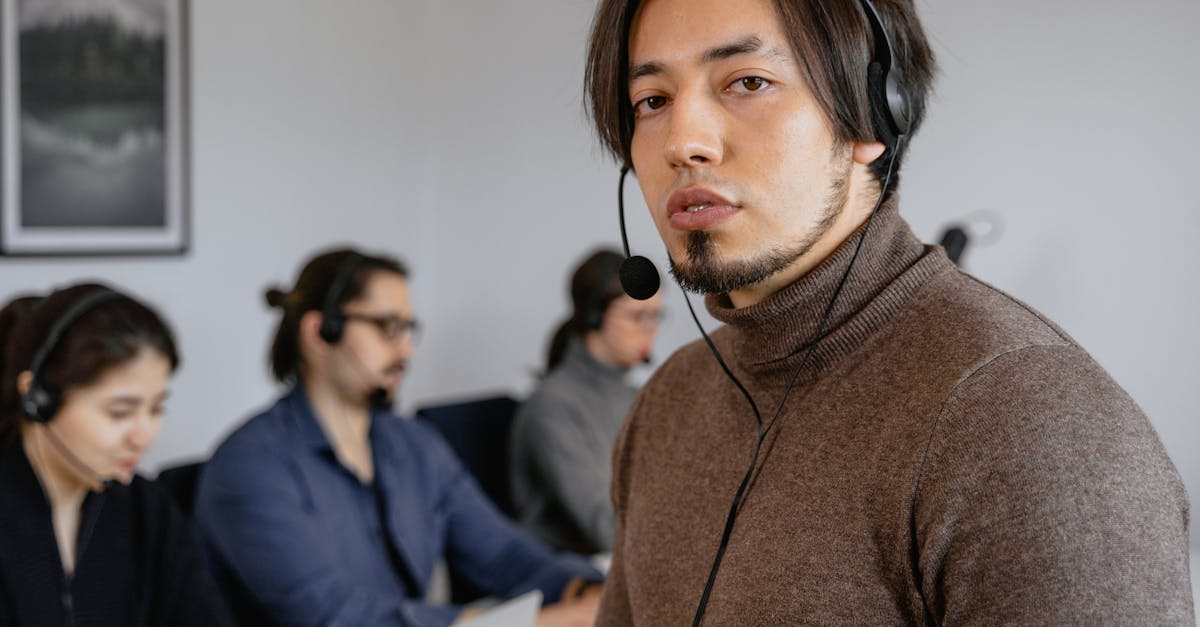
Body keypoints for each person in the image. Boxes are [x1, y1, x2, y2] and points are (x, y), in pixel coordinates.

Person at [582, 0, 1195, 624]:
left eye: (748, 83)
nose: (683, 143)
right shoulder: (667, 405)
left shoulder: (1030, 420)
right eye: (652, 100)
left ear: (872, 116)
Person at [194, 248, 602, 627]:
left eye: (409, 329)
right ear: (320, 332)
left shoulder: (413, 444)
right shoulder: (249, 467)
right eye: (387, 328)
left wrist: (587, 590)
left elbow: (501, 553)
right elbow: (334, 616)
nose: (405, 349)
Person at [0, 283, 232, 626]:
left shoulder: (148, 512)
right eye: (119, 412)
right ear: (38, 398)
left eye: (156, 409)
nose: (144, 436)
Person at [509, 249, 663, 555]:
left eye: (656, 316)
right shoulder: (553, 406)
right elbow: (606, 527)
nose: (650, 329)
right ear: (595, 316)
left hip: (623, 561)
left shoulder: (635, 396)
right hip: (571, 573)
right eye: (637, 316)